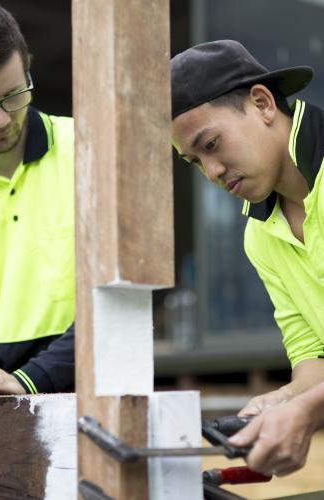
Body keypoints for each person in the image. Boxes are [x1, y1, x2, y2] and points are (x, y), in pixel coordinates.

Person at [171, 39, 324, 473]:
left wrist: (308, 411)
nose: (212, 172)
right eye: (194, 161)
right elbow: (313, 359)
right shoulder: (259, 235)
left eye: (212, 144)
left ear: (262, 104)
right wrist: (282, 401)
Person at [0, 1, 74, 394]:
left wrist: (29, 380)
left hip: (75, 400)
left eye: (13, 95)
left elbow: (123, 308)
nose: (2, 120)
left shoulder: (90, 153)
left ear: (28, 66)